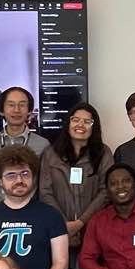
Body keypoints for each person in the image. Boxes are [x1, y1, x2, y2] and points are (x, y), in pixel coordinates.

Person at [40, 102, 114, 259]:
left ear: (94, 127)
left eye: (87, 121)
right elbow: (45, 192)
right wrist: (64, 224)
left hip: (94, 227)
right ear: (68, 123)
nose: (80, 125)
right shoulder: (50, 153)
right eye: (75, 119)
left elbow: (106, 190)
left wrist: (80, 222)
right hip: (57, 227)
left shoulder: (104, 153)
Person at [0, 86, 49, 207]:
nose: (17, 110)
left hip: (31, 212)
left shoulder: (43, 145)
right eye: (11, 105)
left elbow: (45, 186)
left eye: (22, 105)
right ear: (1, 110)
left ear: (29, 111)